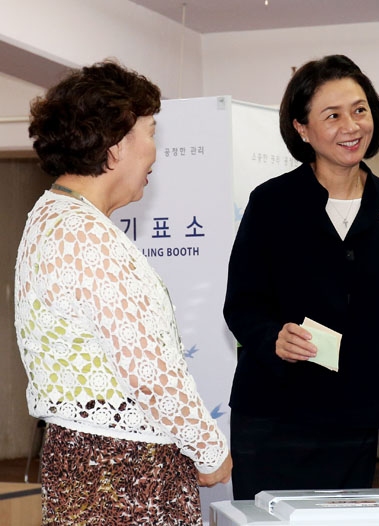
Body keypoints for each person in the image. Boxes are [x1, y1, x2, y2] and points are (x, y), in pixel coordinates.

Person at [15, 60, 232, 525]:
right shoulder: (84, 235)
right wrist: (210, 450)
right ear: (115, 146)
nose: (155, 153)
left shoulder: (50, 216)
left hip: (84, 462)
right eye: (150, 133)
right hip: (124, 471)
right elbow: (149, 370)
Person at [223, 54, 379, 500]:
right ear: (302, 128)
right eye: (332, 115)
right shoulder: (272, 203)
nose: (351, 126)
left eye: (359, 110)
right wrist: (273, 337)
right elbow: (242, 304)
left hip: (353, 425)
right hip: (272, 419)